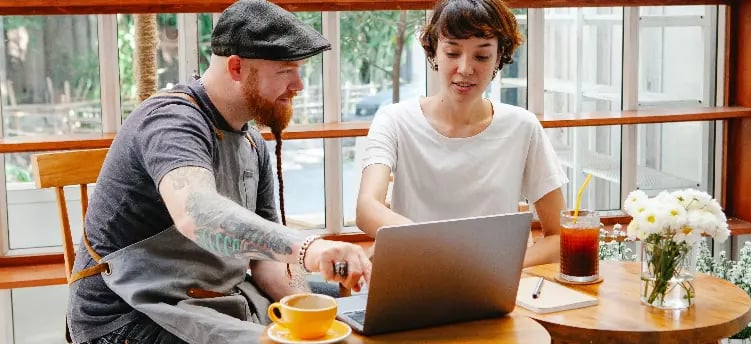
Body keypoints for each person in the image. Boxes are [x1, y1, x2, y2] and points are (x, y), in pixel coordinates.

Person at [66, 1, 371, 343]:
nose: (299, 85)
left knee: (351, 325)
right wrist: (310, 248)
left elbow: (265, 260)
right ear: (237, 67)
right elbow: (197, 214)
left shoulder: (252, 141)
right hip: (129, 318)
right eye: (286, 71)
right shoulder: (171, 121)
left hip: (213, 299)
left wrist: (301, 307)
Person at [355, 0, 568, 268]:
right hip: (416, 275)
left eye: (481, 56)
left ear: (499, 56)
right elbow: (367, 208)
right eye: (453, 53)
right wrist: (437, 246)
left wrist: (499, 267)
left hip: (493, 287)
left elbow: (560, 235)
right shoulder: (395, 120)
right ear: (434, 52)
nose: (466, 69)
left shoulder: (522, 127)